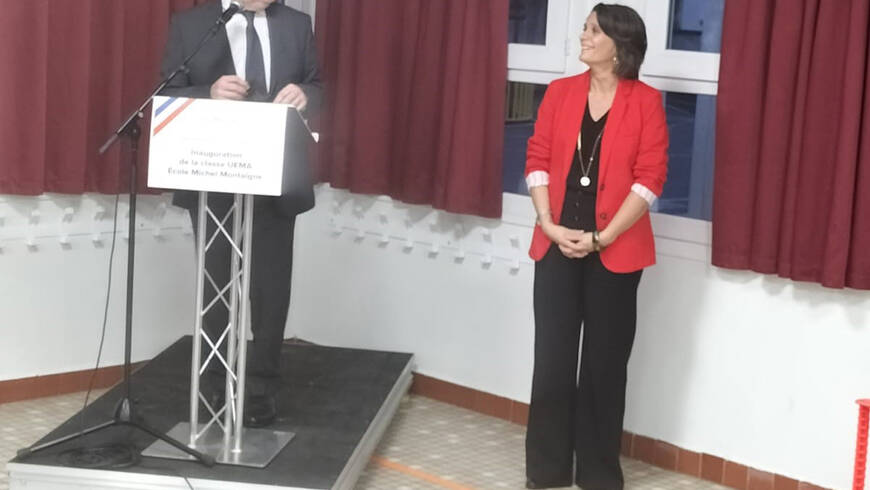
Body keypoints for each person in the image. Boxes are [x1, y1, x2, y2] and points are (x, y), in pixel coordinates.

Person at [523, 4, 668, 489]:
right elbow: (537, 159)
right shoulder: (560, 93)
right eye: (584, 29)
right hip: (556, 243)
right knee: (552, 363)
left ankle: (599, 475)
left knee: (604, 368)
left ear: (619, 45)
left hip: (616, 251)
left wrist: (602, 237)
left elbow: (650, 180)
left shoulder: (646, 102)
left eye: (592, 31)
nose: (582, 37)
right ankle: (546, 471)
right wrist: (547, 223)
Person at [158, 0, 322, 427]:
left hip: (277, 176)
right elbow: (167, 93)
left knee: (271, 291)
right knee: (217, 287)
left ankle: (262, 388)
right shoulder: (193, 24)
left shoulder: (297, 24)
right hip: (214, 176)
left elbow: (317, 85)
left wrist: (305, 95)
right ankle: (215, 384)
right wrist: (208, 93)